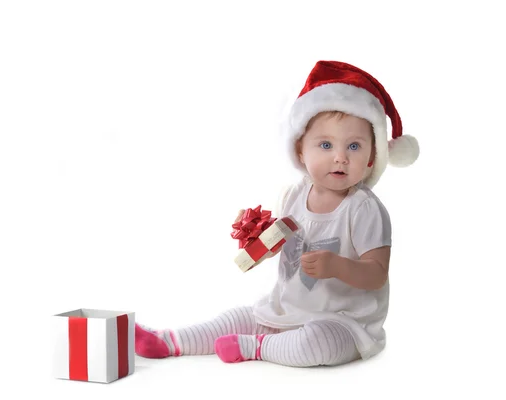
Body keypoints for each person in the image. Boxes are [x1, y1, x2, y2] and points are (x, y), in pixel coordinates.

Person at [135, 60, 419, 367]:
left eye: (354, 146)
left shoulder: (364, 208)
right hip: (286, 309)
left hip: (343, 322)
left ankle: (258, 347)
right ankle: (169, 341)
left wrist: (337, 266)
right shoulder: (294, 195)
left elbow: (376, 274)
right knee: (239, 316)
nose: (340, 157)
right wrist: (259, 243)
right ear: (300, 150)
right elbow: (282, 246)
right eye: (325, 144)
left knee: (316, 344)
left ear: (372, 156)